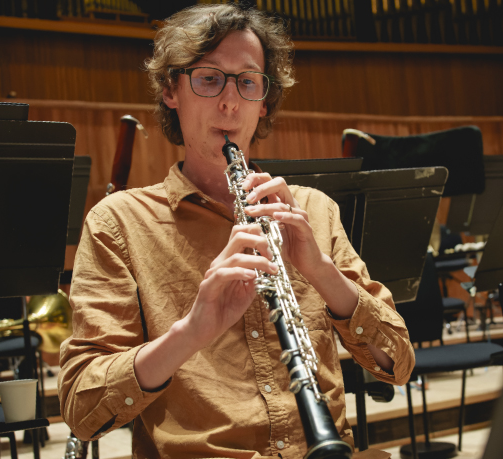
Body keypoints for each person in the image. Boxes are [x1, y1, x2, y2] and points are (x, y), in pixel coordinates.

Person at [58, 4, 415, 457]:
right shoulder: (119, 222)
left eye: (247, 82)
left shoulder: (313, 210)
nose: (230, 103)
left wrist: (322, 273)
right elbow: (80, 408)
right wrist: (191, 329)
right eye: (209, 79)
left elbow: (397, 364)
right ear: (171, 89)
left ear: (263, 101)